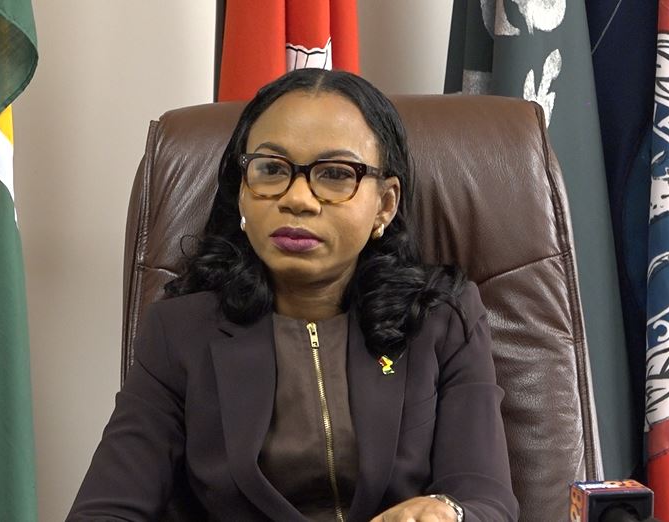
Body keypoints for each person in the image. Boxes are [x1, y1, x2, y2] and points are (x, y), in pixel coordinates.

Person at [67, 69, 519, 522]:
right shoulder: (179, 333)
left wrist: (448, 513)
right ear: (242, 193)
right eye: (271, 169)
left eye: (336, 174)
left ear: (385, 204)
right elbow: (104, 511)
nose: (298, 199)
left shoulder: (442, 318)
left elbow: (486, 498)